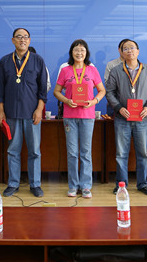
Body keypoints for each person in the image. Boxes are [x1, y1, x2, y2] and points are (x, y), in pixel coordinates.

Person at [0, 28, 48, 198]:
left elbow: (42, 89)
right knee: (13, 150)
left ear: (29, 40)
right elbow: (0, 89)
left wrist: (39, 110)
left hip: (32, 113)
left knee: (34, 151)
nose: (22, 40)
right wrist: (1, 111)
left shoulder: (38, 60)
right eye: (19, 37)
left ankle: (35, 184)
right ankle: (13, 184)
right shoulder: (5, 61)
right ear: (13, 40)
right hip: (11, 113)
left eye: (25, 37)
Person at [105, 39, 147, 196]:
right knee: (121, 154)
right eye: (126, 48)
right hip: (122, 118)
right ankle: (121, 184)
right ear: (121, 52)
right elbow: (109, 92)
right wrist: (119, 108)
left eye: (132, 48)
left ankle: (143, 184)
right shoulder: (116, 70)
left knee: (142, 153)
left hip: (142, 118)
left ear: (138, 51)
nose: (129, 51)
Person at [53, 39, 106, 198]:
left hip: (87, 116)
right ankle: (73, 185)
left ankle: (86, 186)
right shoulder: (65, 70)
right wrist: (67, 100)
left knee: (85, 152)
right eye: (76, 50)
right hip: (69, 116)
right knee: (72, 153)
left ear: (86, 53)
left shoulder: (92, 70)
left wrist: (94, 101)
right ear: (71, 52)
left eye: (82, 50)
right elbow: (56, 91)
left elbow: (102, 90)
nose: (79, 53)